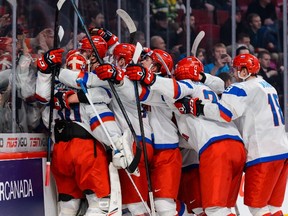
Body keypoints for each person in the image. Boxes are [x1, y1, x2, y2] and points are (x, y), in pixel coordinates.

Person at [126, 56, 245, 215]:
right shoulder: (211, 89)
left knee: (215, 210)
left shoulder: (188, 86)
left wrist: (147, 77)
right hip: (237, 147)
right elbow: (219, 84)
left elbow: (175, 89)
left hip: (216, 149)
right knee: (223, 208)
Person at [195, 53, 288, 216]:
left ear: (245, 70)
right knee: (273, 208)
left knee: (257, 207)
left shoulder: (241, 88)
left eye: (237, 69)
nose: (235, 72)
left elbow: (224, 113)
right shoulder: (268, 86)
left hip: (262, 153)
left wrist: (199, 107)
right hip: (282, 151)